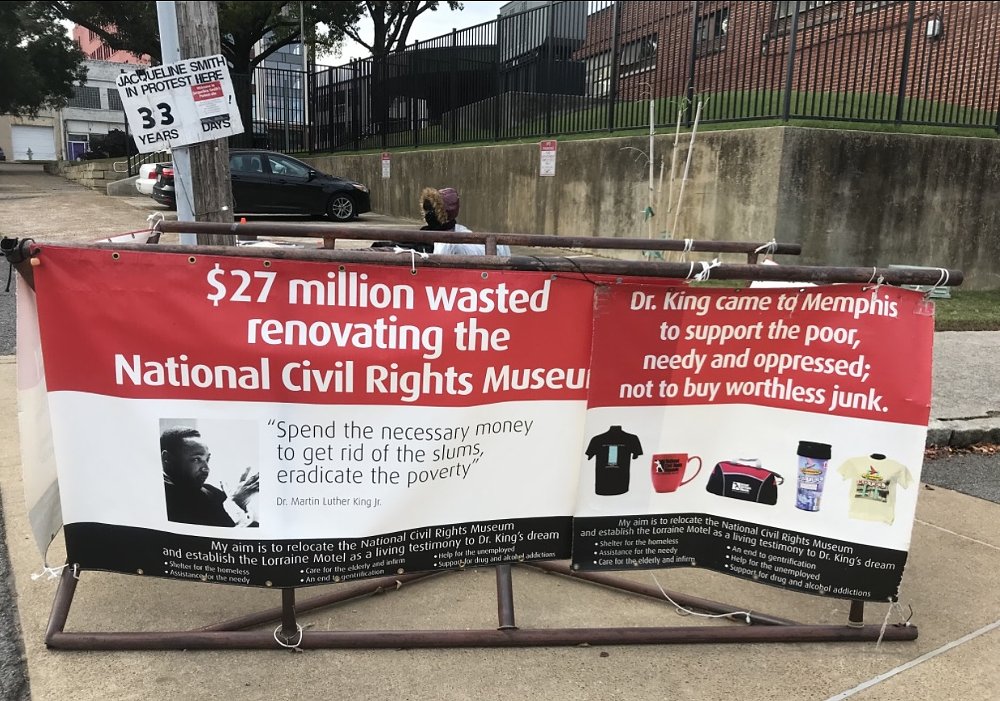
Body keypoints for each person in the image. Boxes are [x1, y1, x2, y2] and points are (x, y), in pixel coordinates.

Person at [161, 427, 259, 527]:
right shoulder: (161, 499)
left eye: (207, 459)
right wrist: (235, 502)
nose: (206, 469)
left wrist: (240, 502)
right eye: (196, 459)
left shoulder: (211, 492)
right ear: (167, 459)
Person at [420, 186, 512, 256]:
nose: (428, 213)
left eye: (431, 209)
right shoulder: (425, 233)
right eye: (426, 209)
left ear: (443, 212)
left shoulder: (450, 242)